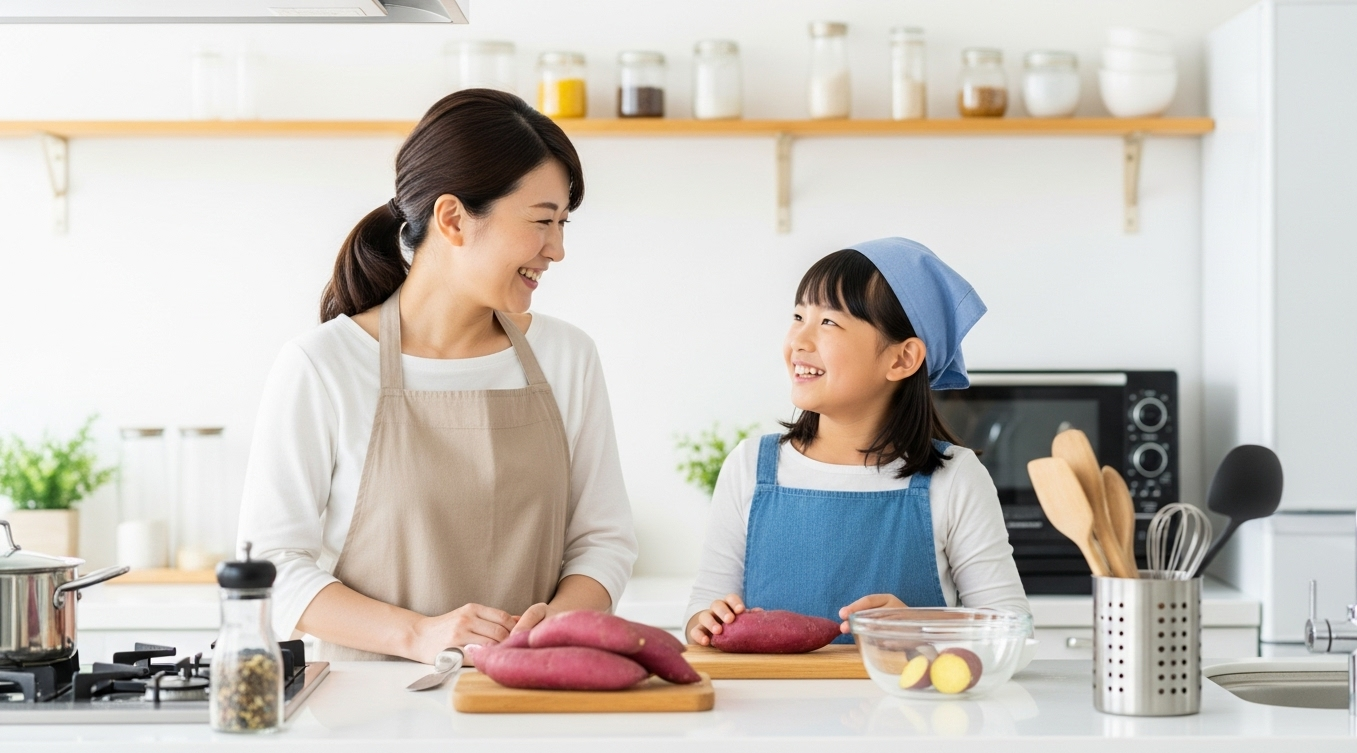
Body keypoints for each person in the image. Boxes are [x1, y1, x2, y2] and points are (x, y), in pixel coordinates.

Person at [237, 90, 636, 663]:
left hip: (528, 697)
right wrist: (417, 635)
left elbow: (604, 541)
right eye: (543, 222)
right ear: (452, 218)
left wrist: (550, 629)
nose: (558, 249)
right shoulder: (323, 366)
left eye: (563, 224)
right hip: (365, 713)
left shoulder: (567, 357)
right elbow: (271, 567)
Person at [685, 238, 1028, 645]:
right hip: (769, 708)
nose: (799, 340)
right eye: (798, 316)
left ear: (901, 359)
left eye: (829, 322)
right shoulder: (749, 467)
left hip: (909, 709)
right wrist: (705, 622)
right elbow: (701, 612)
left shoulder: (954, 478)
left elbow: (1012, 631)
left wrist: (921, 629)